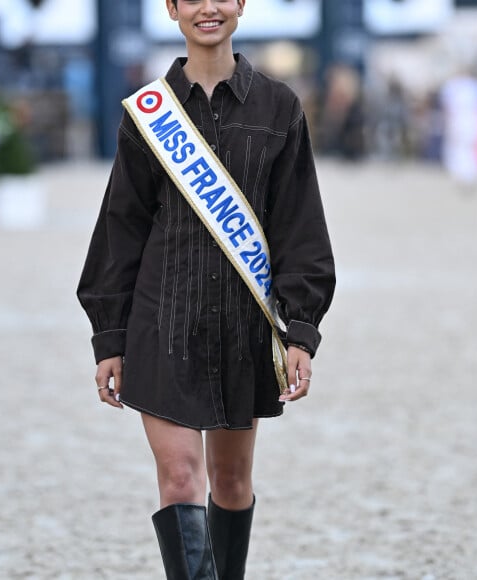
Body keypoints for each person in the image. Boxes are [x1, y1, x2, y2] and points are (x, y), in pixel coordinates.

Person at [77, 1, 335, 578]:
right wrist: (109, 337)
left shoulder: (279, 107)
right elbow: (121, 229)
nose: (208, 8)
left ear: (242, 2)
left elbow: (300, 227)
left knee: (233, 482)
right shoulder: (148, 114)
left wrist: (300, 331)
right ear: (172, 8)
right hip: (161, 320)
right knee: (180, 479)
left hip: (242, 324)